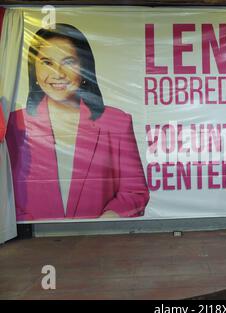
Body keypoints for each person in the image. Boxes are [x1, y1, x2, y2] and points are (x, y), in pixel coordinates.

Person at [6, 24, 150, 221]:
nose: (58, 73)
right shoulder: (14, 124)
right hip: (31, 243)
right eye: (47, 62)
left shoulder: (116, 123)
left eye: (68, 62)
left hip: (96, 243)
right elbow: (5, 192)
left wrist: (106, 220)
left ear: (84, 68)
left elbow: (134, 192)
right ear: (34, 70)